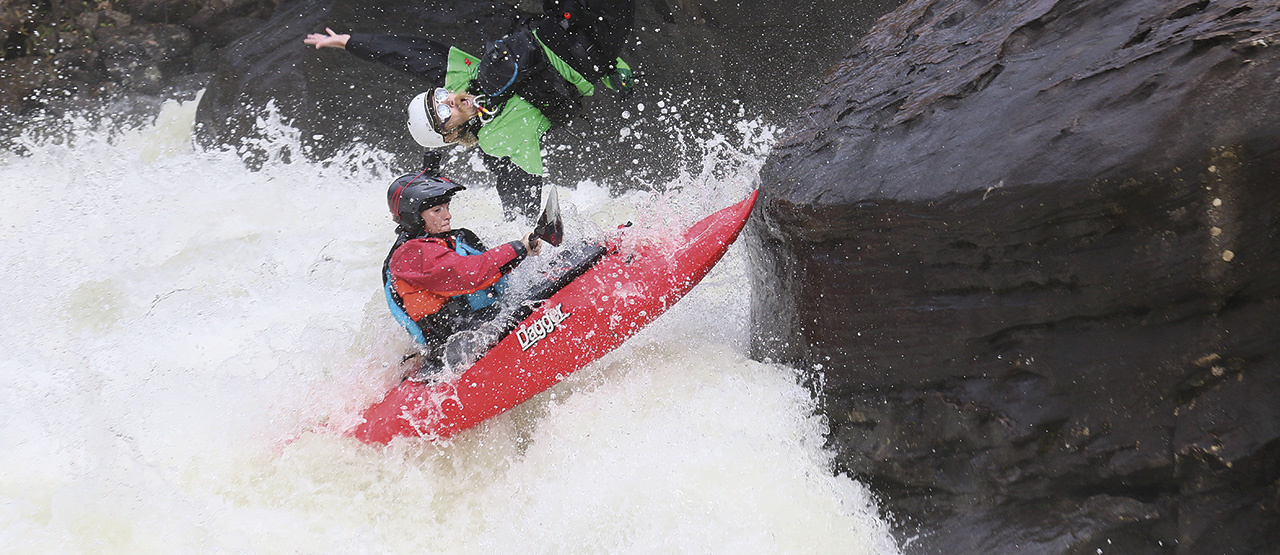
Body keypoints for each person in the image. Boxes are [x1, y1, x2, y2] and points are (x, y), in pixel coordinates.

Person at [305, 0, 636, 221]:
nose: (448, 101)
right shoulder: (497, 139)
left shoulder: (463, 77)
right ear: (450, 134)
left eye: (439, 96)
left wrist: (350, 41)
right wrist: (525, 239)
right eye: (442, 113)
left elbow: (411, 54)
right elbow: (517, 193)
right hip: (592, 49)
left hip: (559, 21)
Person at [382, 167, 542, 378]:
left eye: (446, 207)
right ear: (414, 217)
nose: (448, 216)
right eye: (437, 211)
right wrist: (519, 248)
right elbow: (471, 274)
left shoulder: (434, 241)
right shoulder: (411, 255)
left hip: (480, 328)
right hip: (456, 350)